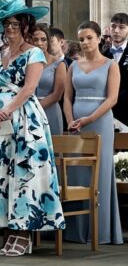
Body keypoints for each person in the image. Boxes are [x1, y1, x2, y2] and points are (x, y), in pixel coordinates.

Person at [0, 0, 65, 256]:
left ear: (25, 26)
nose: (10, 28)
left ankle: (23, 233)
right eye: (6, 24)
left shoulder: (34, 53)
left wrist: (8, 110)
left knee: (23, 172)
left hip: (25, 118)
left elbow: (30, 88)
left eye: (15, 24)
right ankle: (2, 231)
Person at [63, 20, 123, 245]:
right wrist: (70, 120)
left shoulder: (111, 65)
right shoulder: (73, 65)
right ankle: (75, 231)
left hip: (100, 123)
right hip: (75, 125)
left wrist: (90, 118)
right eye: (81, 39)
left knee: (100, 173)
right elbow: (67, 97)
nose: (85, 42)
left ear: (99, 38)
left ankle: (100, 231)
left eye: (89, 38)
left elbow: (112, 98)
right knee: (76, 173)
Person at [32, 24, 66, 135]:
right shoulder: (26, 63)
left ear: (48, 42)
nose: (39, 43)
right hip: (28, 112)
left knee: (54, 148)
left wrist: (35, 108)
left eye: (43, 39)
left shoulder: (58, 63)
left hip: (50, 111)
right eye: (35, 40)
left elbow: (57, 95)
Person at [103, 13, 128, 126]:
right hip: (106, 112)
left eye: (122, 27)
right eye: (113, 26)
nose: (116, 31)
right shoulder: (102, 55)